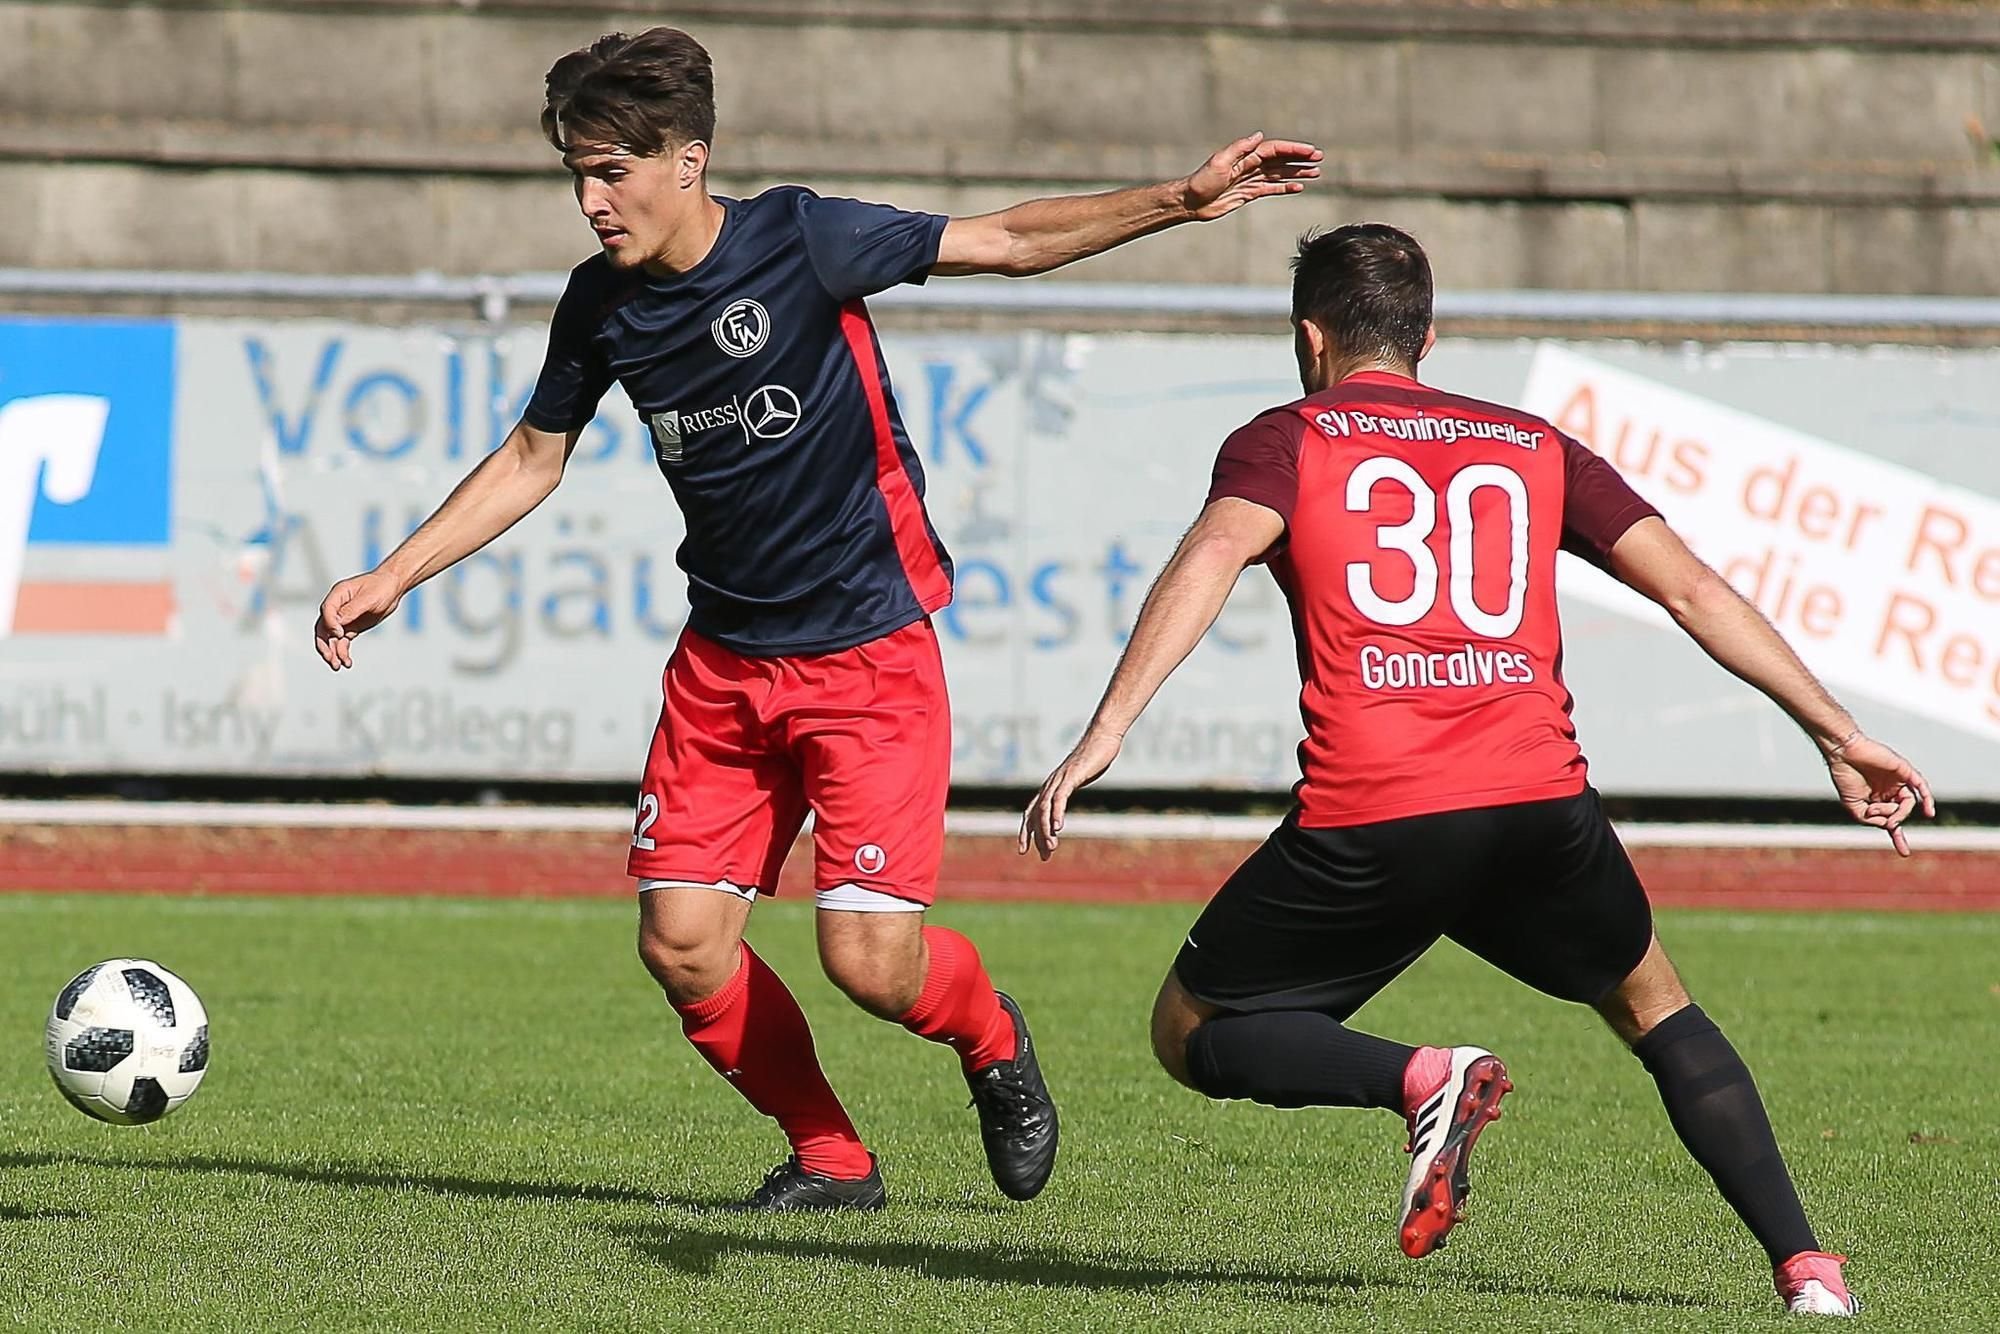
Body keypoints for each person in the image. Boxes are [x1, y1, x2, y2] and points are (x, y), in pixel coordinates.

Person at [311, 26, 1321, 1213]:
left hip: (866, 654)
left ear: (689, 159)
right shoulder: (598, 305)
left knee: (869, 962)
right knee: (681, 942)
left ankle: (992, 1039)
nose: (590, 200)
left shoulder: (800, 236)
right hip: (723, 664)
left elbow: (998, 239)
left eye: (610, 172)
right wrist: (396, 571)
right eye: (576, 175)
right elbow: (536, 453)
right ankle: (832, 1157)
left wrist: (1175, 201)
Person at [1019, 223, 1932, 1314]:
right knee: (1656, 1007)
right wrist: (1834, 729)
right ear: (1426, 336)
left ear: (1309, 336)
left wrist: (1106, 729)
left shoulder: (1286, 436)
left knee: (1190, 1027)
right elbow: (1689, 587)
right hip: (1538, 805)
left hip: (1380, 811)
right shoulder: (1528, 442)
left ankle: (1416, 1076)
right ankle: (1806, 1269)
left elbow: (1212, 551)